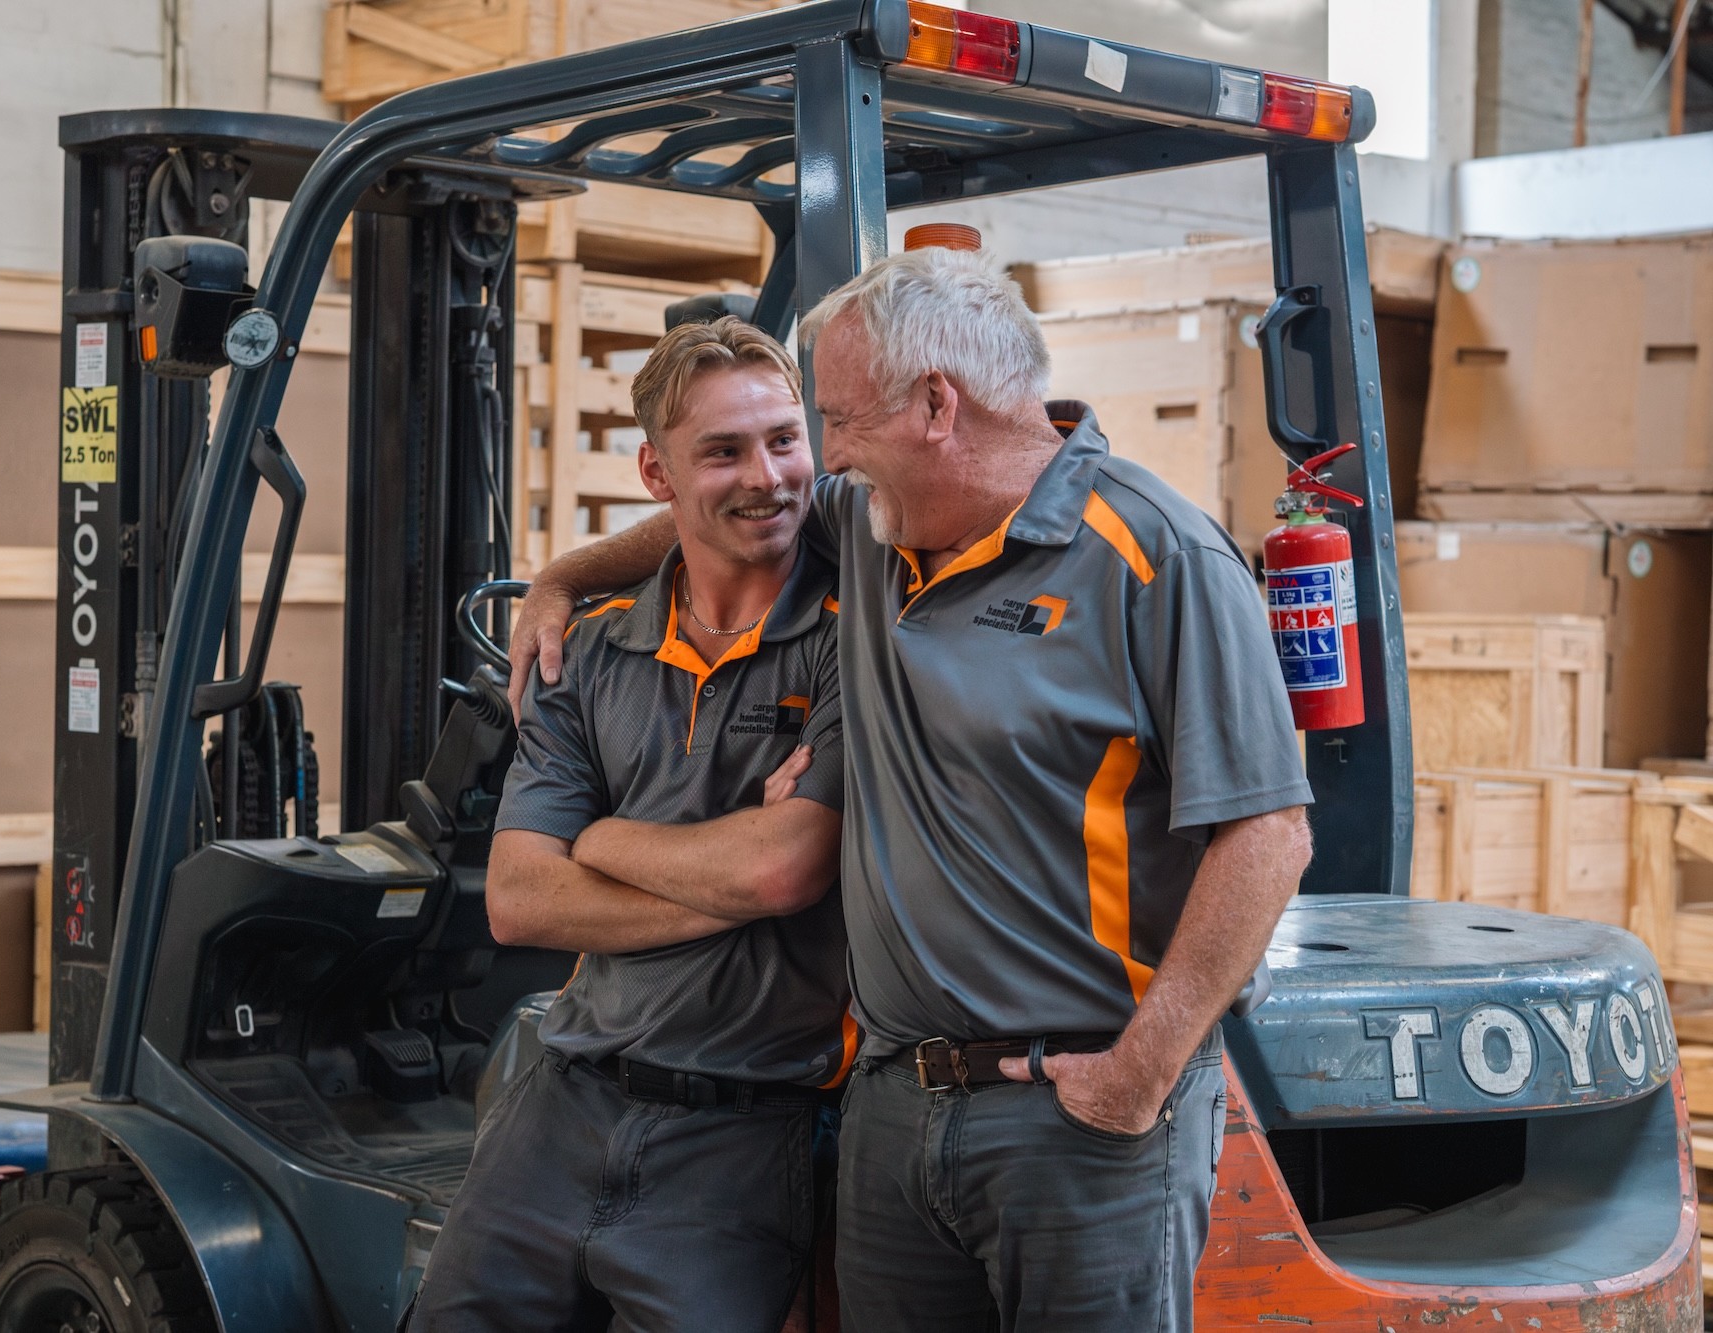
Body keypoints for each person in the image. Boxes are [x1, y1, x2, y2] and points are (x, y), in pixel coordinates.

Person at [506, 247, 1314, 1331]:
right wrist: (565, 577)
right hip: (896, 1105)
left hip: (1073, 1110)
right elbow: (731, 506)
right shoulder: (879, 528)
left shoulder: (1155, 557)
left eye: (836, 422)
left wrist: (1140, 1068)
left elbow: (1266, 836)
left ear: (937, 403)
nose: (817, 461)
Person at [407, 316, 851, 1333]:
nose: (768, 476)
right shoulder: (588, 654)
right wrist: (726, 876)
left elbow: (785, 871)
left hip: (747, 1124)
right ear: (655, 472)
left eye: (785, 439)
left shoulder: (851, 633)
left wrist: (601, 843)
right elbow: (520, 900)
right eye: (724, 451)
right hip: (560, 1100)